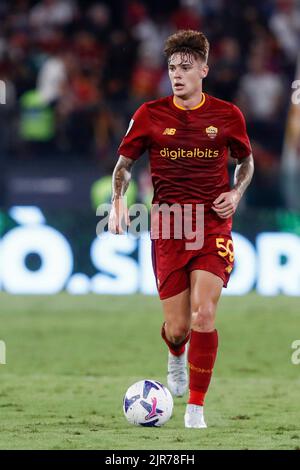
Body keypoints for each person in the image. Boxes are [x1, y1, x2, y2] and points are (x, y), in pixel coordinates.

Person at [108, 30, 254, 428]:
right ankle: (176, 356)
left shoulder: (227, 115)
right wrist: (118, 200)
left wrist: (236, 193)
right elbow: (123, 166)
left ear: (204, 70)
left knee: (204, 313)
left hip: (212, 224)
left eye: (186, 68)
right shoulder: (150, 114)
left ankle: (195, 409)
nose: (177, 74)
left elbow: (246, 161)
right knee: (178, 327)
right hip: (170, 228)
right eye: (172, 67)